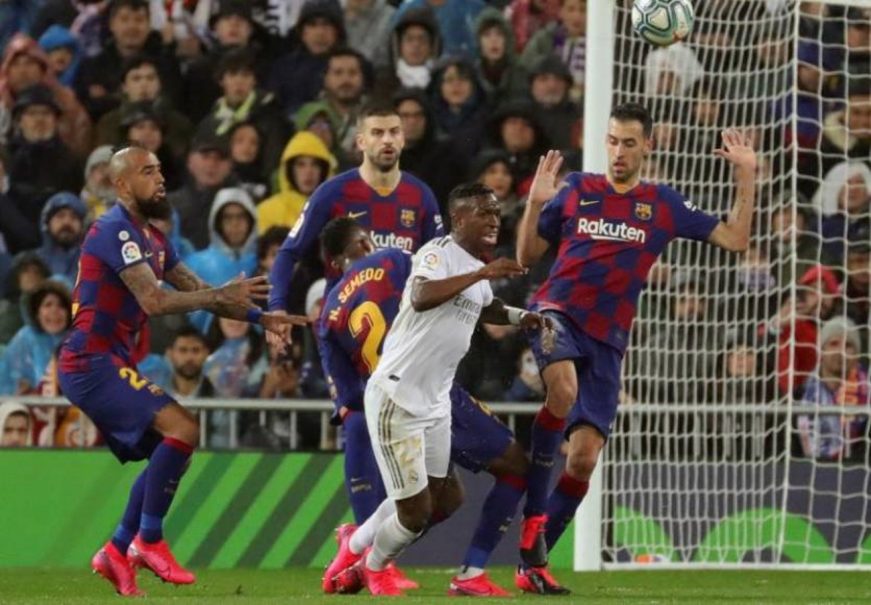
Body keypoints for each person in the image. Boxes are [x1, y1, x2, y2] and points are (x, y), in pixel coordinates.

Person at [514, 103, 757, 592]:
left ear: (648, 145)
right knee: (561, 386)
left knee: (583, 459)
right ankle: (532, 502)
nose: (619, 152)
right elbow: (525, 257)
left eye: (629, 143)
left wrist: (746, 178)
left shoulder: (662, 203)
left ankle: (532, 562)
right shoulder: (578, 189)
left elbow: (734, 239)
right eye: (612, 141)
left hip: (607, 339)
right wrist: (536, 204)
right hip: (556, 313)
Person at [55, 145, 305, 597]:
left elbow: (201, 290)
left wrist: (261, 318)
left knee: (173, 445)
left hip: (109, 359)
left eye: (160, 169)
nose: (160, 178)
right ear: (121, 185)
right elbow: (156, 301)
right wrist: (219, 296)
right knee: (184, 426)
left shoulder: (153, 238)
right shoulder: (114, 230)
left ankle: (115, 550)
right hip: (89, 359)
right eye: (147, 171)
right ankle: (148, 541)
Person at [331, 184, 551, 596]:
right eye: (483, 212)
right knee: (414, 513)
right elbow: (419, 295)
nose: (493, 219)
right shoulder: (437, 253)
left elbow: (487, 305)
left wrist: (525, 317)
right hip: (397, 396)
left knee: (443, 498)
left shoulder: (474, 268)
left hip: (435, 402)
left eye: (496, 212)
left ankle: (356, 543)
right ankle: (372, 566)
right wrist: (484, 272)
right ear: (459, 219)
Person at [267, 104, 443, 327]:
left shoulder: (421, 195)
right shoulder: (333, 192)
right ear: (361, 141)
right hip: (345, 325)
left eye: (394, 132)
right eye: (377, 133)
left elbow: (438, 264)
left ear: (402, 139)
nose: (387, 140)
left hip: (403, 328)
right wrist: (277, 307)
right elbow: (288, 252)